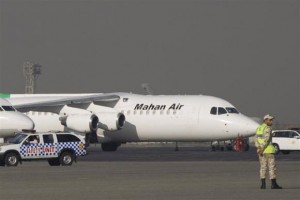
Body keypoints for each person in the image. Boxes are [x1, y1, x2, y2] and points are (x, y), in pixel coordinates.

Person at [255, 114, 282, 189]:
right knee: (272, 167)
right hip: (268, 151)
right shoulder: (268, 128)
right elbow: (266, 140)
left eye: (271, 120)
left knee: (263, 167)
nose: (271, 121)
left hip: (261, 152)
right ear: (265, 120)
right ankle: (273, 184)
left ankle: (263, 185)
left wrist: (258, 148)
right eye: (270, 120)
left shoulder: (259, 128)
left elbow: (256, 140)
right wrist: (262, 148)